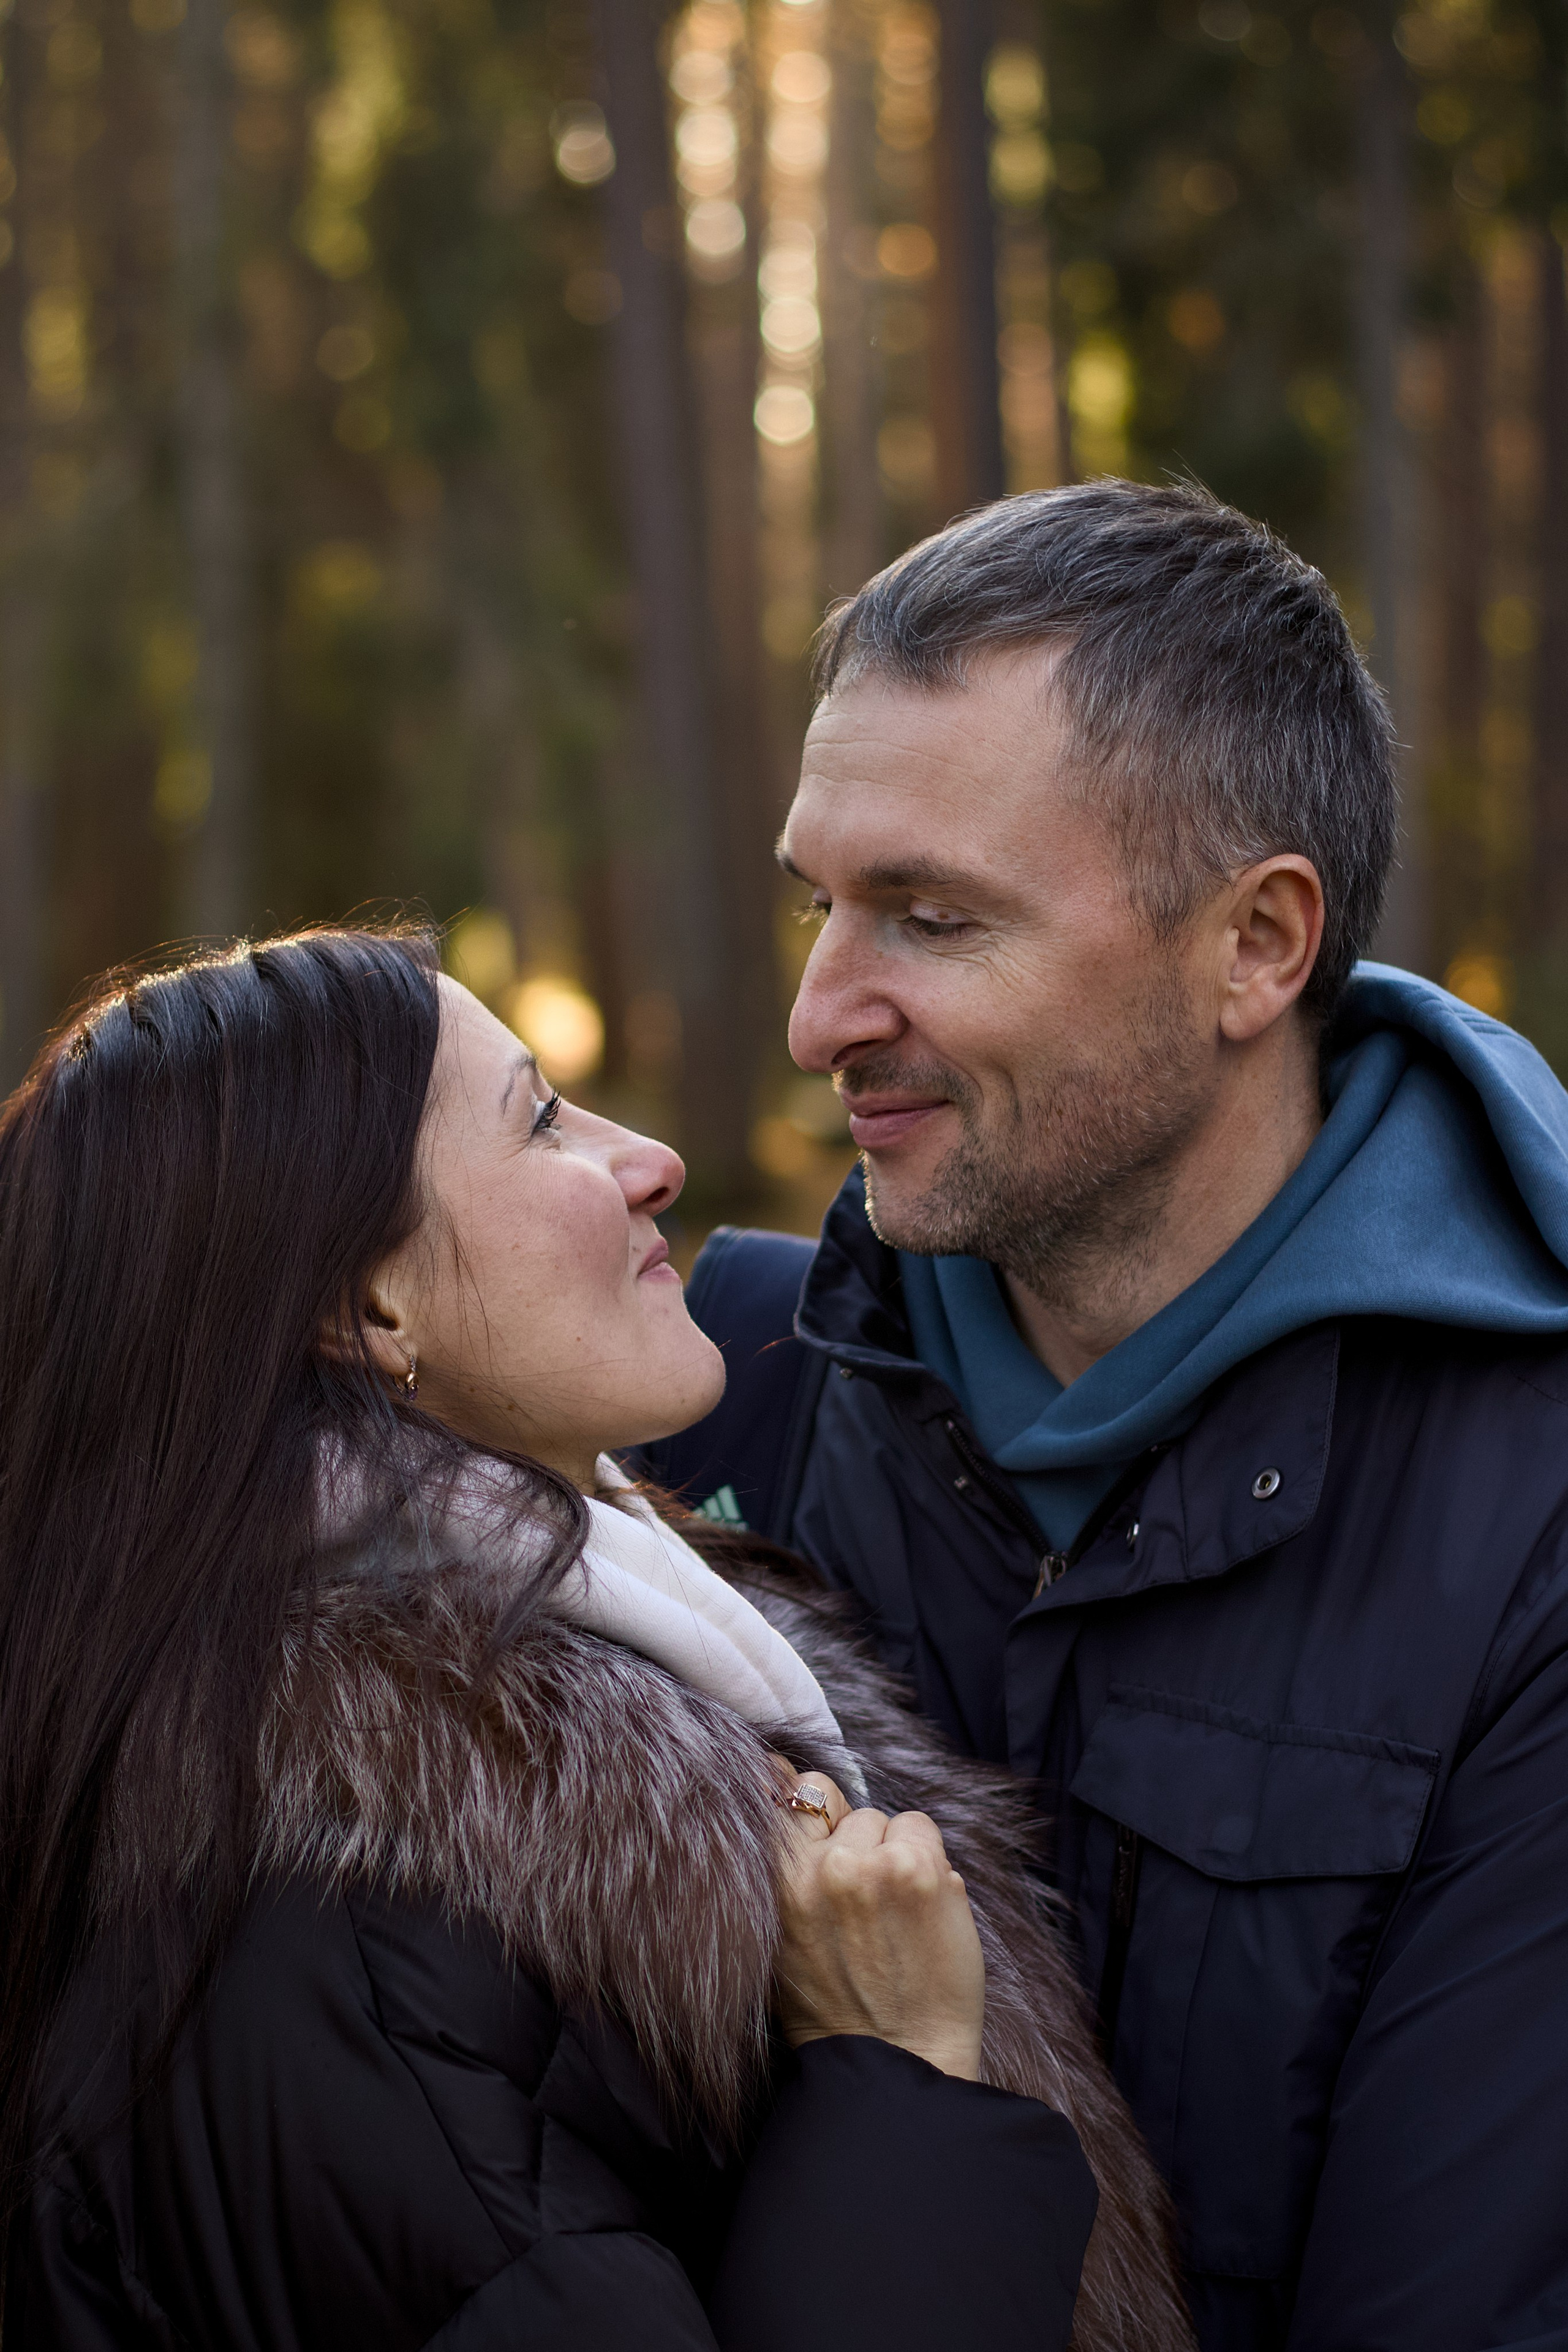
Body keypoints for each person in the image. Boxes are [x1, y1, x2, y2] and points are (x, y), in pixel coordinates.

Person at [639, 480, 1568, 2352]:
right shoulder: (712, 1393)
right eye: (824, 905)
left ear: (1255, 946)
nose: (820, 1018)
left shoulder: (1527, 1521)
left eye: (932, 918)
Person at [0, 929, 1192, 2352]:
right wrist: (895, 2082)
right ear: (367, 1309)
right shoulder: (342, 1949)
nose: (654, 1162)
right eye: (542, 1121)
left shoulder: (610, 1655)